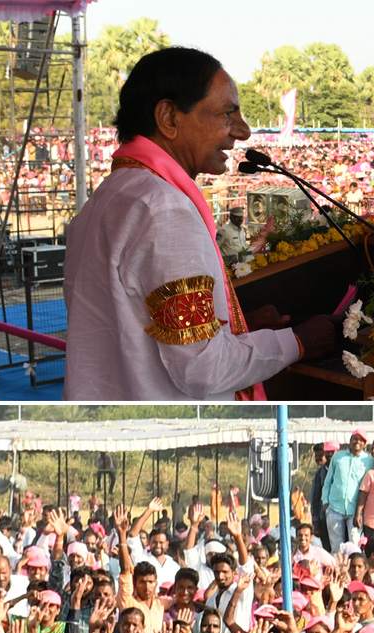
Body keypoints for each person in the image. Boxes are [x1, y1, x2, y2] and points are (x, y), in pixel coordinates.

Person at [62, 46, 339, 401]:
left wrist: (235, 328)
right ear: (169, 118)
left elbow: (141, 327)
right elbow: (202, 369)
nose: (242, 131)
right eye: (227, 114)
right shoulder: (163, 210)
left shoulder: (109, 196)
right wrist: (298, 341)